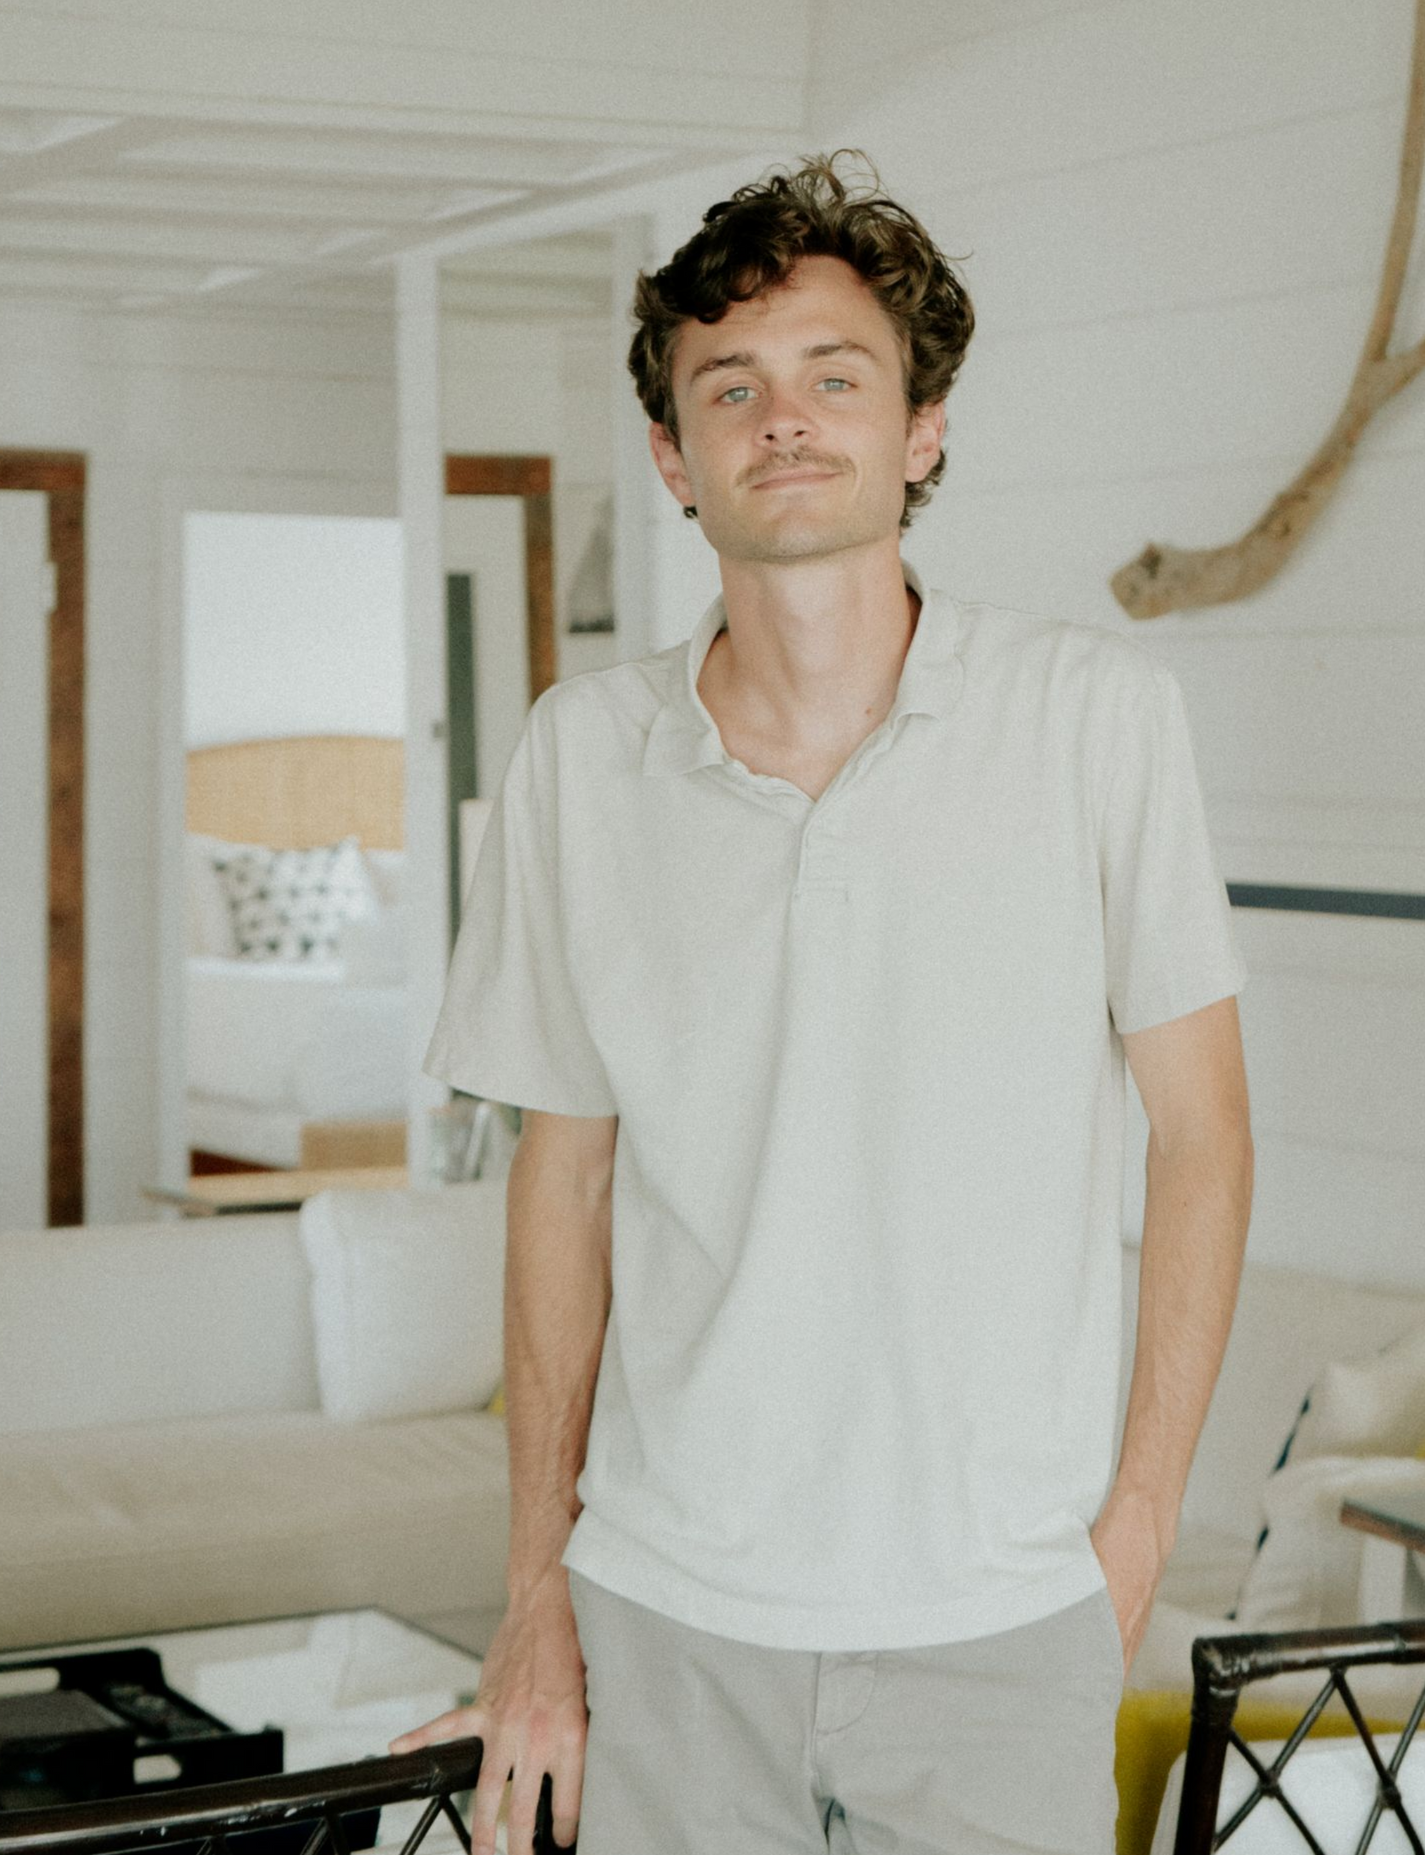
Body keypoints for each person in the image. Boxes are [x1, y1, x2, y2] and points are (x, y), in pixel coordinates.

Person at [389, 149, 1254, 1855]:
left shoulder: (1097, 719)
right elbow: (563, 1185)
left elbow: (1204, 1137)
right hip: (665, 1612)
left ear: (922, 428)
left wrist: (1138, 1530)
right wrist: (536, 1588)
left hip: (1003, 1617)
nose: (783, 418)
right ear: (673, 457)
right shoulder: (581, 756)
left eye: (835, 377)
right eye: (731, 386)